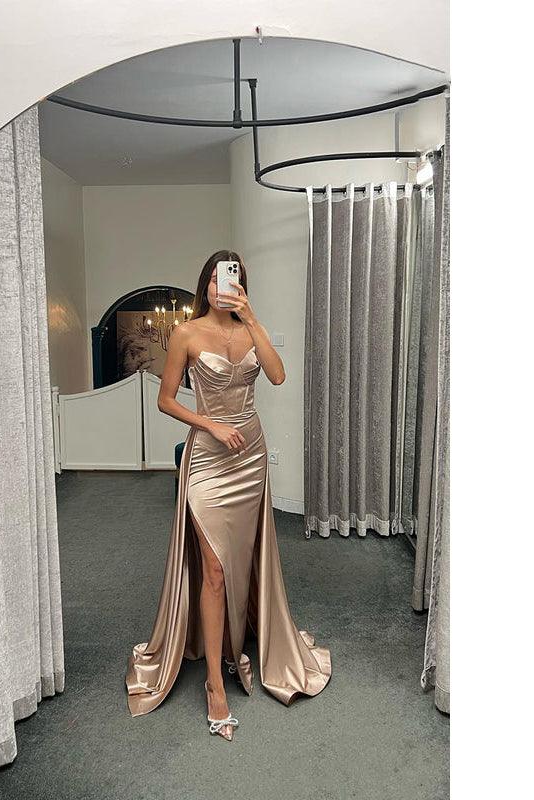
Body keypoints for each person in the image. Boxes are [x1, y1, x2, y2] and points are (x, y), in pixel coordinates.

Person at [125, 250, 332, 740]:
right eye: (218, 278)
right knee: (214, 567)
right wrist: (210, 424)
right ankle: (215, 684)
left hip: (250, 456)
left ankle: (236, 639)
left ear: (242, 284)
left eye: (233, 278)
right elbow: (166, 400)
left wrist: (252, 319)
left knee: (242, 558)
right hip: (208, 458)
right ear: (207, 283)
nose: (225, 286)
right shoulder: (187, 333)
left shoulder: (249, 329)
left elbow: (277, 375)